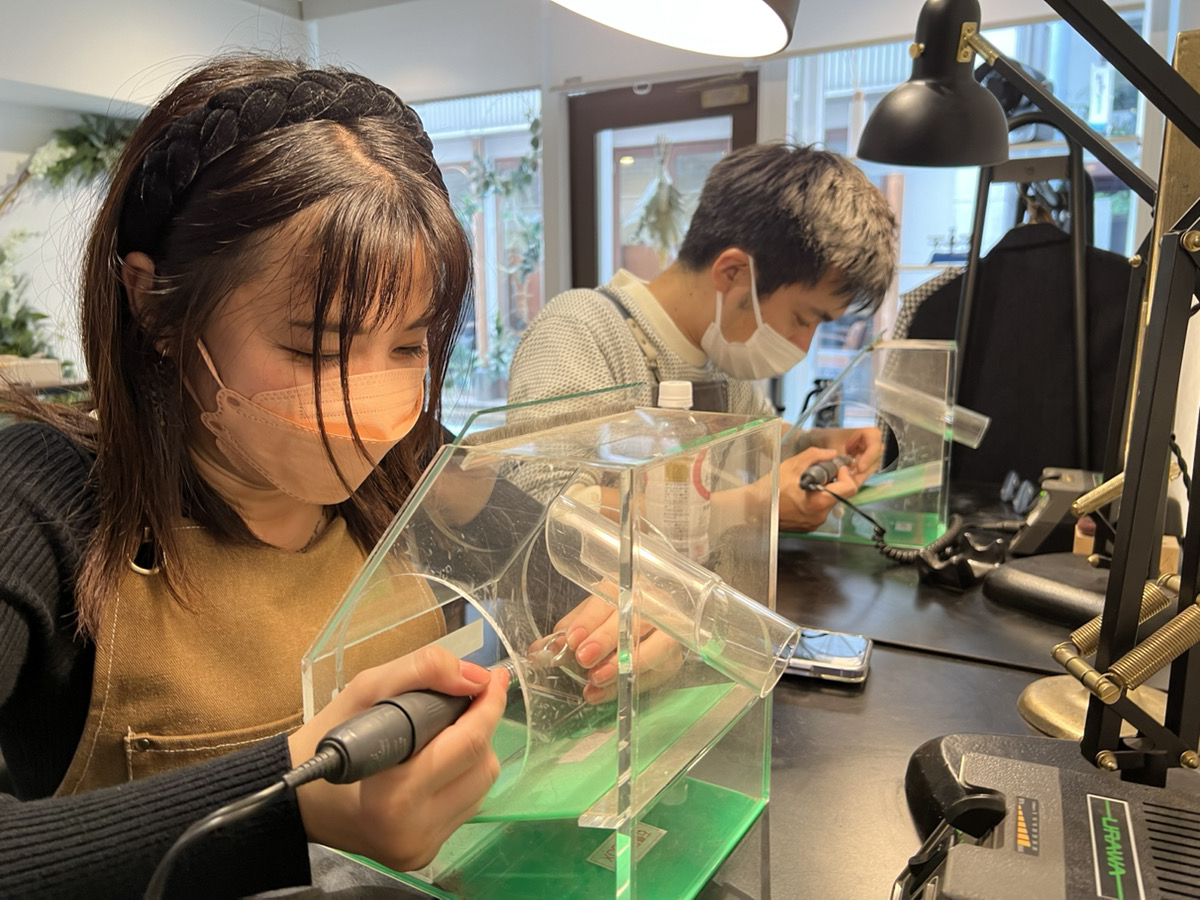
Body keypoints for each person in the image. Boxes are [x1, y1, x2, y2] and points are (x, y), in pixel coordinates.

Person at [0, 53, 506, 896]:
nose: (372, 412)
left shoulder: (418, 463)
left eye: (409, 345)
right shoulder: (37, 498)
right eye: (315, 348)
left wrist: (618, 629)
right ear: (154, 304)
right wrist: (284, 808)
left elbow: (564, 575)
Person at [507, 142, 898, 534]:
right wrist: (748, 507)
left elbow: (762, 442)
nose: (802, 345)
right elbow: (542, 503)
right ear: (733, 273)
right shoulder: (582, 330)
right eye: (801, 318)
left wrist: (822, 446)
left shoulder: (721, 353)